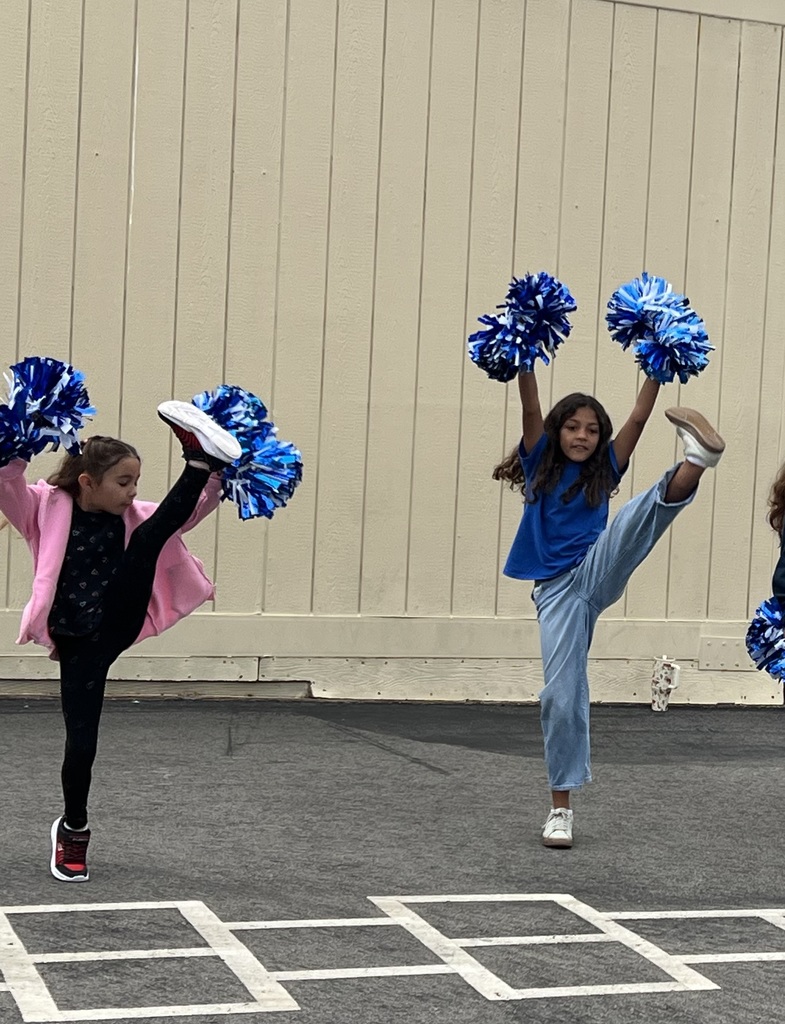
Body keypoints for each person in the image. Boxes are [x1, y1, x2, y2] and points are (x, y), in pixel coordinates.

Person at [0, 400, 242, 881]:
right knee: (82, 742)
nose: (133, 493)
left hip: (117, 619)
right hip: (76, 639)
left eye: (136, 482)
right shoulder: (41, 508)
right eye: (124, 482)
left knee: (148, 540)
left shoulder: (135, 517)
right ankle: (72, 830)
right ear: (88, 482)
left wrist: (217, 480)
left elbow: (183, 517)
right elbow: (6, 484)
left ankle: (202, 460)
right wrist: (18, 442)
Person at [494, 369, 725, 848]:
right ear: (558, 431)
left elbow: (638, 420)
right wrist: (526, 358)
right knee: (560, 696)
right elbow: (531, 409)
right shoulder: (539, 462)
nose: (582, 435)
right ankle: (561, 811)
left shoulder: (605, 468)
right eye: (573, 426)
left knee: (634, 518)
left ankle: (698, 458)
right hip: (557, 594)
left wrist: (657, 370)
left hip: (594, 571)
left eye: (593, 429)